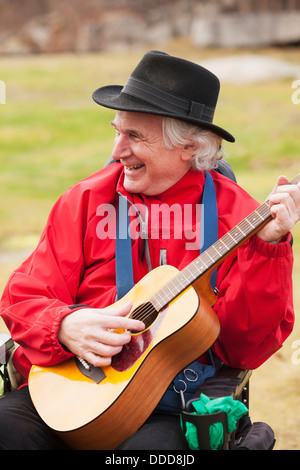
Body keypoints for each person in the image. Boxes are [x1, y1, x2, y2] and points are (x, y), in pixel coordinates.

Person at [0, 50, 299, 450]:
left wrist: (268, 248)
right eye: (117, 131)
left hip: (172, 402)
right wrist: (63, 326)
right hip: (66, 386)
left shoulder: (240, 218)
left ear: (189, 146)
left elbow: (245, 346)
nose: (117, 149)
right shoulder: (86, 200)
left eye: (135, 137)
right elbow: (24, 295)